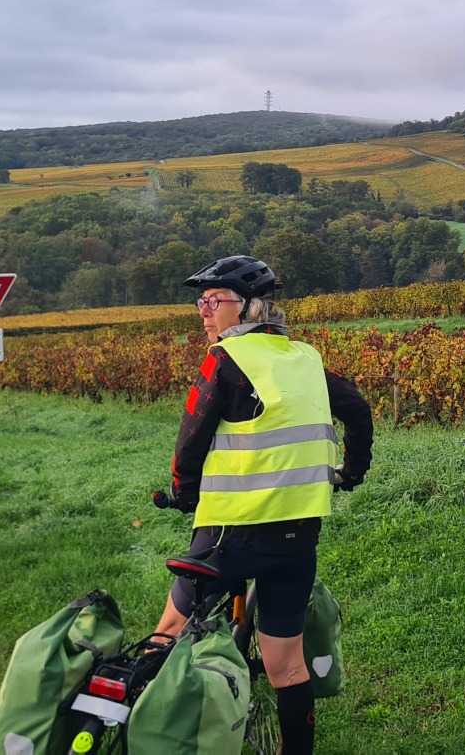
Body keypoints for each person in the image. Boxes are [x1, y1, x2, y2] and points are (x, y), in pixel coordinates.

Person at [149, 254, 373, 755]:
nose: (203, 312)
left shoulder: (226, 360)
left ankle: (147, 728)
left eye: (214, 301)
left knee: (167, 633)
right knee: (287, 667)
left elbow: (190, 441)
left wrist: (184, 493)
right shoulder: (307, 359)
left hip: (229, 538)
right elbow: (357, 409)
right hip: (297, 542)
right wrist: (352, 471)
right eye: (201, 303)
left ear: (250, 306)